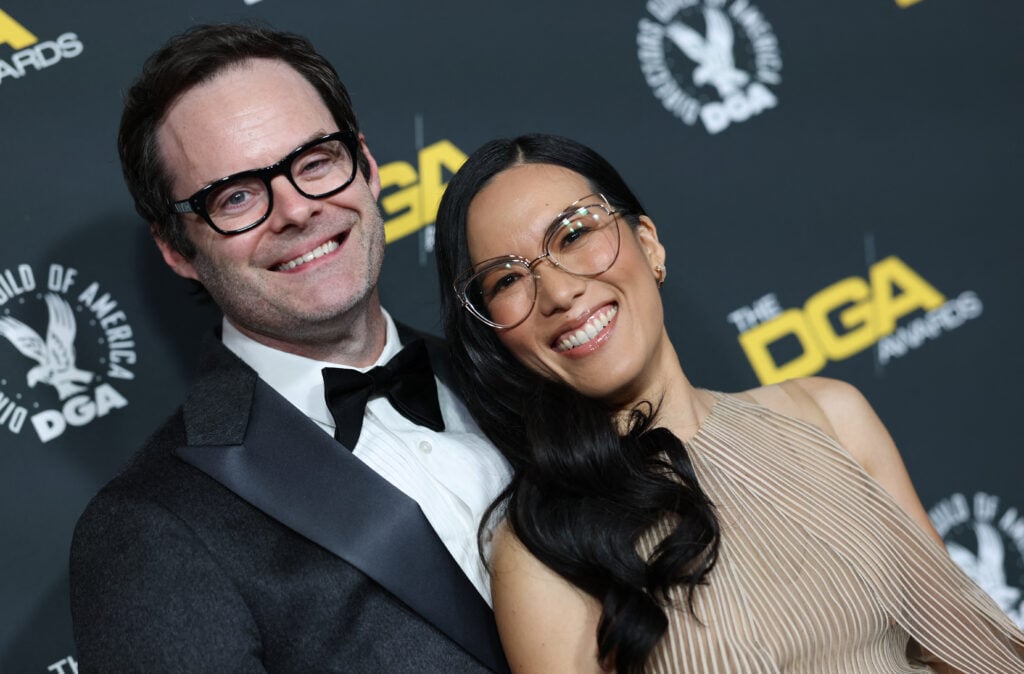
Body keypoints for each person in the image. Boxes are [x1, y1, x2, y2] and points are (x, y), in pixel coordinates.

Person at [433, 133, 1024, 673]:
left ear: (648, 245)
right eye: (506, 280)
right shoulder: (540, 550)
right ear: (494, 336)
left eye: (575, 234)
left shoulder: (828, 415)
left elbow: (973, 647)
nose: (558, 292)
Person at [69, 24, 511, 673]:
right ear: (176, 249)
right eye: (237, 196)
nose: (297, 210)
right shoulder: (149, 528)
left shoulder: (517, 372)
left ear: (365, 163)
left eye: (314, 162)